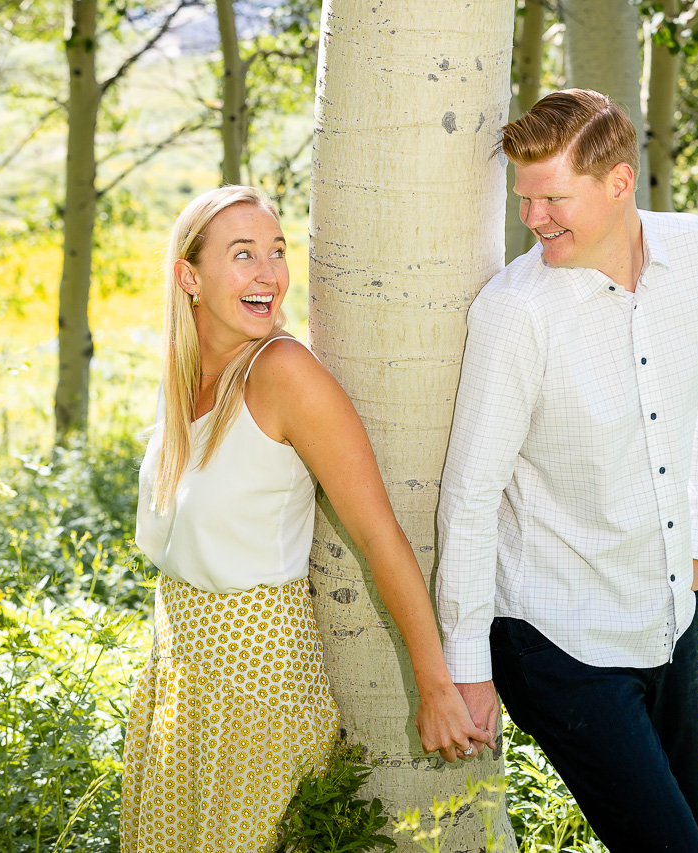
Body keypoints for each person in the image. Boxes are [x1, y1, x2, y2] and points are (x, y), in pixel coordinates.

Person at [122, 185, 491, 852]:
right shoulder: (183, 378)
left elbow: (379, 531)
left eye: (276, 251)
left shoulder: (284, 372)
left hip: (258, 679)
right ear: (189, 277)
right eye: (243, 255)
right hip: (178, 672)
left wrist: (437, 683)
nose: (268, 274)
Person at [436, 89, 698, 852]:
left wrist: (696, 539)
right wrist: (468, 666)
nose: (535, 219)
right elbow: (470, 496)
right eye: (525, 198)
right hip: (558, 638)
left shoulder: (695, 251)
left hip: (670, 611)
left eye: (553, 198)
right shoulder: (517, 312)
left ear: (619, 182)